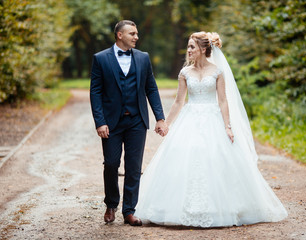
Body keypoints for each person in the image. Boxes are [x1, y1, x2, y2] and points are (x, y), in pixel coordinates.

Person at [135, 32, 288, 227]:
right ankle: (179, 208)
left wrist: (227, 126)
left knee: (214, 157)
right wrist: (166, 123)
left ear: (203, 49)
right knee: (185, 156)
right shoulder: (185, 73)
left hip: (212, 118)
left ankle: (221, 207)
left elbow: (223, 101)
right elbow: (179, 101)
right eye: (188, 47)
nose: (188, 50)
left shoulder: (217, 71)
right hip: (189, 119)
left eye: (192, 47)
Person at [90, 20, 168, 226]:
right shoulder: (100, 59)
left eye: (137, 33)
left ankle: (129, 211)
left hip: (136, 120)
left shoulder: (143, 58)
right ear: (119, 35)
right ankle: (111, 204)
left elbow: (151, 88)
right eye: (132, 33)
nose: (136, 37)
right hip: (111, 122)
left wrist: (159, 117)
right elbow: (95, 92)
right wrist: (100, 121)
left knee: (134, 167)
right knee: (111, 164)